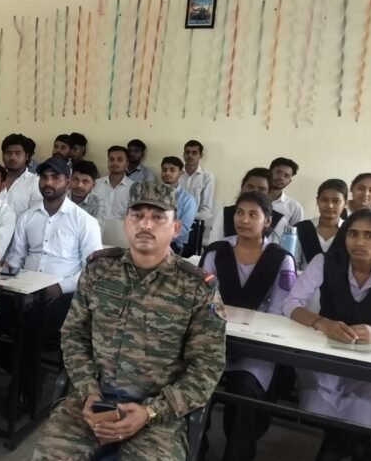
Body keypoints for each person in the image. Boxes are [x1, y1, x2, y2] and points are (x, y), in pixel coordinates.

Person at [31, 181, 226, 461]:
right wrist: (88, 391)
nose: (145, 224)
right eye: (137, 215)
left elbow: (207, 367)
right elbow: (73, 334)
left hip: (157, 417)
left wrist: (152, 411)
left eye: (157, 217)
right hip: (91, 401)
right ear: (126, 222)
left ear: (176, 228)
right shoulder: (99, 271)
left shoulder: (197, 288)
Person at [281, 208, 371, 461]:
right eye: (353, 234)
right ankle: (357, 446)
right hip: (327, 352)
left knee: (361, 410)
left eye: (369, 235)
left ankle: (338, 446)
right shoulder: (324, 261)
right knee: (322, 401)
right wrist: (322, 323)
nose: (359, 242)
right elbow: (291, 303)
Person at [200, 191, 297, 461]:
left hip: (256, 346)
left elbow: (280, 309)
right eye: (240, 213)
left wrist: (250, 333)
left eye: (253, 214)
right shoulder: (217, 251)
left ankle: (237, 454)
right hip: (214, 340)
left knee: (245, 388)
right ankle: (196, 446)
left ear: (268, 221)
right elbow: (203, 297)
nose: (243, 220)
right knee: (197, 381)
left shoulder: (281, 259)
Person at [5, 156, 102, 348]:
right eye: (44, 177)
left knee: (32, 327)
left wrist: (60, 287)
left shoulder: (85, 221)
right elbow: (16, 257)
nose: (48, 182)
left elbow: (93, 269)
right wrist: (9, 283)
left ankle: (23, 365)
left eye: (55, 177)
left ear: (68, 182)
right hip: (25, 289)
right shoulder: (27, 217)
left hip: (64, 294)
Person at [209, 167, 289, 244]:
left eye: (261, 189)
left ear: (269, 193)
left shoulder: (279, 220)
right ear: (242, 187)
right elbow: (214, 245)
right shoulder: (225, 213)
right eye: (250, 187)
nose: (254, 192)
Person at [295, 179, 348, 268]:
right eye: (324, 200)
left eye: (336, 201)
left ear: (345, 204)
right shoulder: (301, 228)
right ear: (317, 201)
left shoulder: (350, 230)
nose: (329, 205)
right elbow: (292, 264)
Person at [159, 156, 197, 254]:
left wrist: (161, 237)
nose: (167, 173)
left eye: (172, 170)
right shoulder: (152, 194)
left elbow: (183, 228)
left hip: (173, 243)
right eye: (164, 170)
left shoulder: (188, 199)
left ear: (180, 173)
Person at [1, 133, 43, 216]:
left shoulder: (35, 182)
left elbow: (34, 215)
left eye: (18, 153)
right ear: (3, 155)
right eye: (8, 153)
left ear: (26, 156)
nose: (12, 157)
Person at [94, 146, 134, 220]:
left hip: (122, 227)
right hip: (95, 226)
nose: (115, 163)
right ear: (108, 162)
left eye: (120, 160)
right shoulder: (96, 184)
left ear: (127, 164)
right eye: (111, 159)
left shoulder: (133, 188)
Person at [179, 139, 215, 222]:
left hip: (194, 222)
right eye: (187, 152)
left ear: (201, 155)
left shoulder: (207, 177)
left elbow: (206, 210)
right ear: (184, 154)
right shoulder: (176, 173)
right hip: (172, 220)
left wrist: (186, 216)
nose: (190, 155)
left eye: (194, 153)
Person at [268, 157, 305, 226]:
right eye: (278, 172)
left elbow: (296, 231)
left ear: (289, 181)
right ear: (269, 173)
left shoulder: (294, 207)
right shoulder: (252, 199)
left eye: (286, 175)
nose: (281, 177)